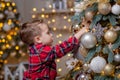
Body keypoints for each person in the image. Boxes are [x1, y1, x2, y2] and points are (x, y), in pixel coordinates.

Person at [19, 19, 88, 80]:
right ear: (38, 39)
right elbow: (61, 49)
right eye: (48, 33)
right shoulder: (41, 51)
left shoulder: (35, 48)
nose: (51, 35)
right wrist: (81, 32)